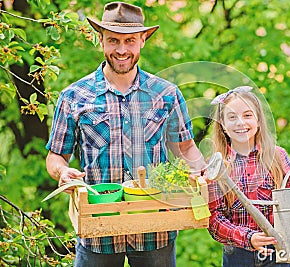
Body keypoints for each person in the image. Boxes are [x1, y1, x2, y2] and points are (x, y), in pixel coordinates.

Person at [45, 2, 205, 267]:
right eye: (113, 41)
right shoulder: (74, 96)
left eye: (129, 40)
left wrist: (201, 171)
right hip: (98, 230)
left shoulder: (166, 94)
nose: (121, 50)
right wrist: (62, 172)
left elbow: (186, 149)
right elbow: (55, 156)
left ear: (143, 40)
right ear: (101, 40)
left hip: (155, 228)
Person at [207, 86, 290, 267]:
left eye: (247, 115)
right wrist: (248, 237)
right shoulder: (217, 165)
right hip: (238, 256)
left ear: (258, 120)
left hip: (279, 252)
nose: (240, 122)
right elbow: (214, 220)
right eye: (232, 117)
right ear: (222, 124)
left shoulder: (277, 156)